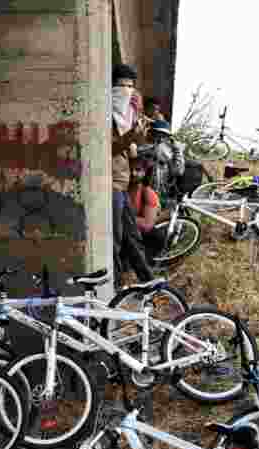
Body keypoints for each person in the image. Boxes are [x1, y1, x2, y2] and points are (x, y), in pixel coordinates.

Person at [110, 63, 155, 286]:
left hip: (121, 184)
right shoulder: (107, 116)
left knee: (132, 236)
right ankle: (115, 287)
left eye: (130, 86)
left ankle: (149, 282)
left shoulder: (126, 116)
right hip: (109, 185)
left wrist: (139, 136)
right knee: (115, 238)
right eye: (121, 85)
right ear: (111, 87)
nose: (127, 90)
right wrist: (131, 136)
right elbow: (109, 149)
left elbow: (129, 149)